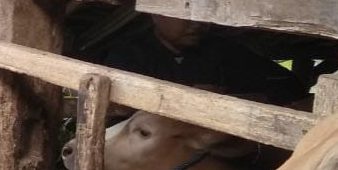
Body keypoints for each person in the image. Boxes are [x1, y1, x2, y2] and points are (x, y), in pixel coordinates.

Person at [103, 14, 308, 105]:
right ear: (156, 15)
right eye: (186, 15)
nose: (197, 24)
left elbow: (291, 86)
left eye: (203, 16)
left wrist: (233, 98)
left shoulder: (224, 51)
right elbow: (117, 107)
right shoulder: (129, 54)